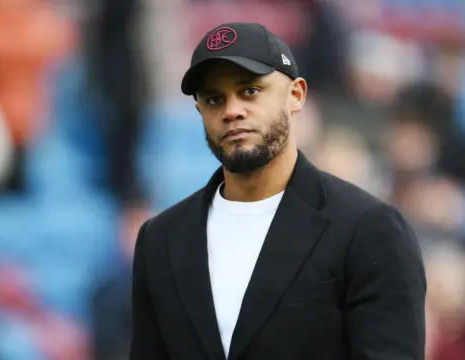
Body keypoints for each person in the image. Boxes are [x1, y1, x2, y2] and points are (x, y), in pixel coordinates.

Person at [130, 22, 427, 360]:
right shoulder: (161, 239)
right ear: (200, 111)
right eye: (214, 99)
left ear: (296, 95)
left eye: (250, 91)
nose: (232, 110)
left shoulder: (369, 229)